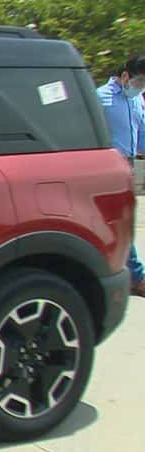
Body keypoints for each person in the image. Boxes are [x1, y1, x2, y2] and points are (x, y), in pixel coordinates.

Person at [97, 55, 145, 297]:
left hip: (128, 165)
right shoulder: (100, 98)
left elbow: (143, 132)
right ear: (126, 76)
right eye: (139, 82)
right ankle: (136, 277)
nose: (140, 88)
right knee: (120, 221)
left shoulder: (137, 101)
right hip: (106, 168)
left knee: (117, 222)